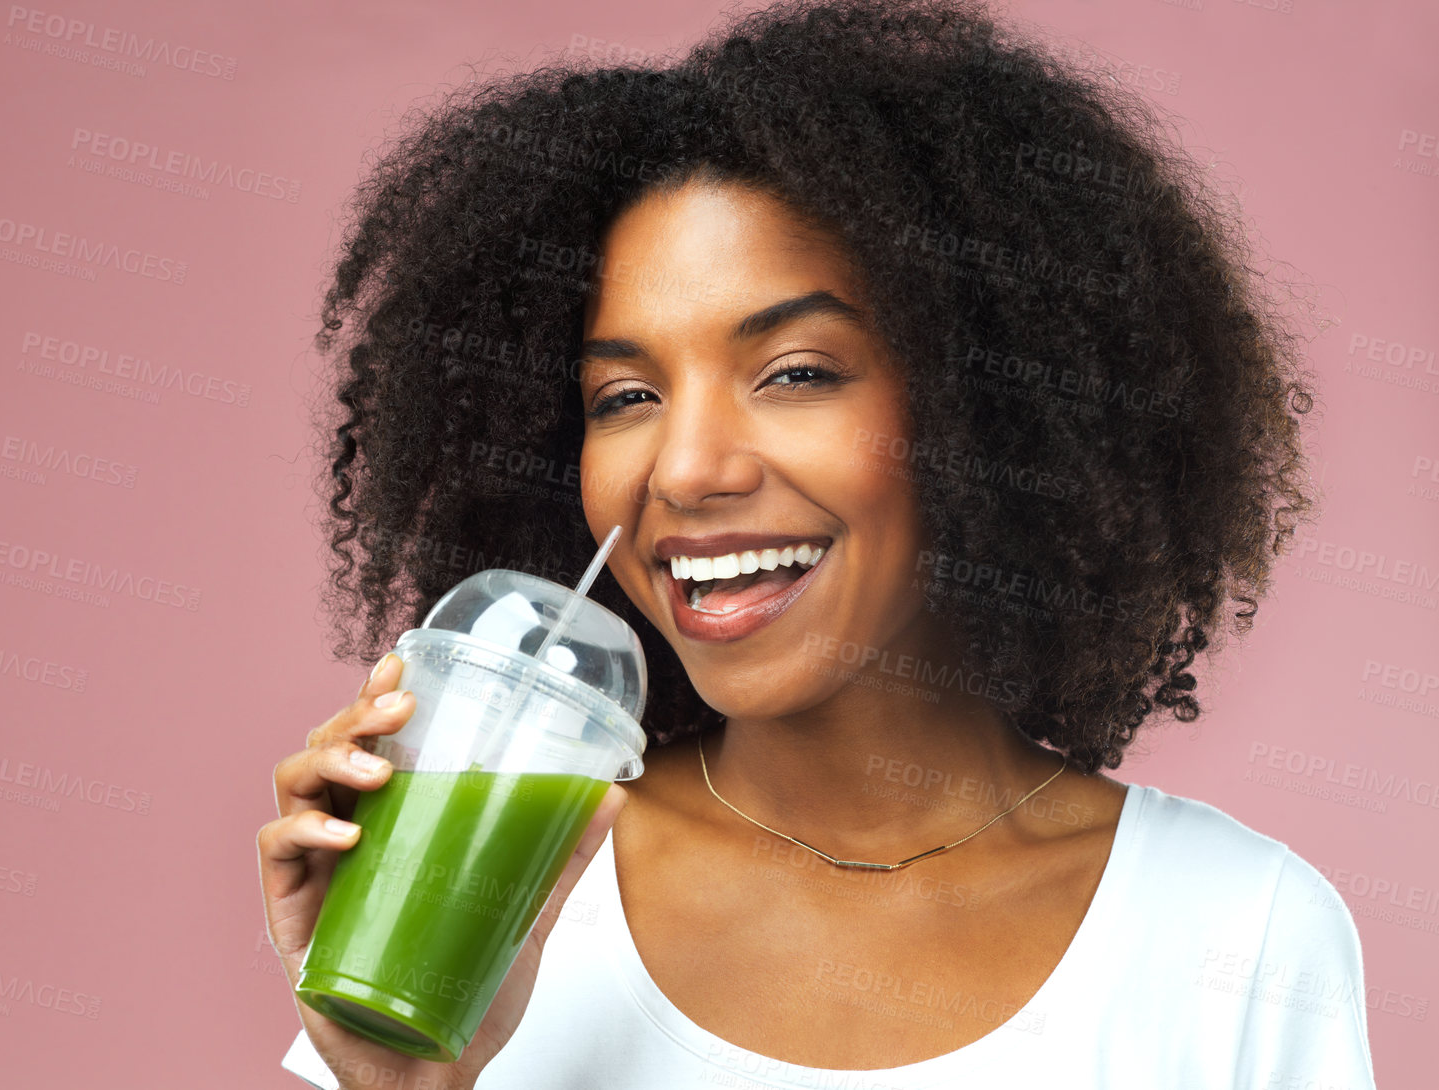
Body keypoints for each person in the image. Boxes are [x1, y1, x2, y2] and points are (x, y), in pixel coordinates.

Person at [256, 0, 1375, 1086]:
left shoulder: (1240, 937)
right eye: (626, 393)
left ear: (986, 409)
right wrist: (401, 1087)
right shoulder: (473, 895)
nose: (687, 468)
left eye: (795, 373)